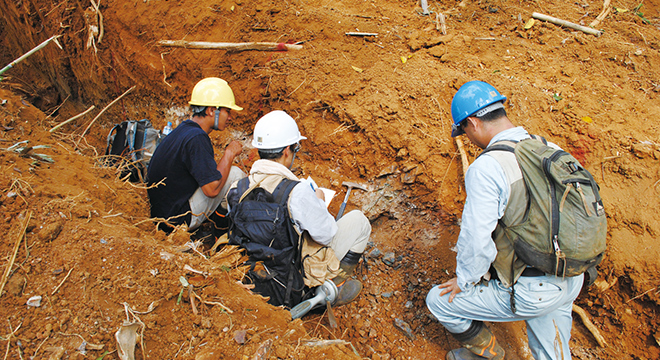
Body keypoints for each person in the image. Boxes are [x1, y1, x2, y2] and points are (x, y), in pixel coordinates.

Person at [425, 81, 584, 360]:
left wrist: (464, 280)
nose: (467, 138)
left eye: (463, 130)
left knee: (439, 303)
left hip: (534, 289)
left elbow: (476, 239)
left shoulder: (488, 167)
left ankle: (489, 355)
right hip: (571, 275)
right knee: (552, 353)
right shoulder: (547, 146)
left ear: (472, 123)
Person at [226, 110, 371, 309]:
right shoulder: (297, 192)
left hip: (252, 275)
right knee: (359, 221)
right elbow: (326, 235)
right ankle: (330, 290)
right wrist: (319, 202)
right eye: (295, 148)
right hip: (288, 286)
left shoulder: (237, 188)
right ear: (287, 150)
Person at [147, 77, 246, 232]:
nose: (230, 117)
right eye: (227, 111)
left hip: (163, 215)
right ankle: (220, 230)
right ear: (211, 110)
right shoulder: (197, 138)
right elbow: (211, 190)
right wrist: (229, 153)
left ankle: (213, 219)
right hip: (177, 222)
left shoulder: (184, 130)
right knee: (236, 175)